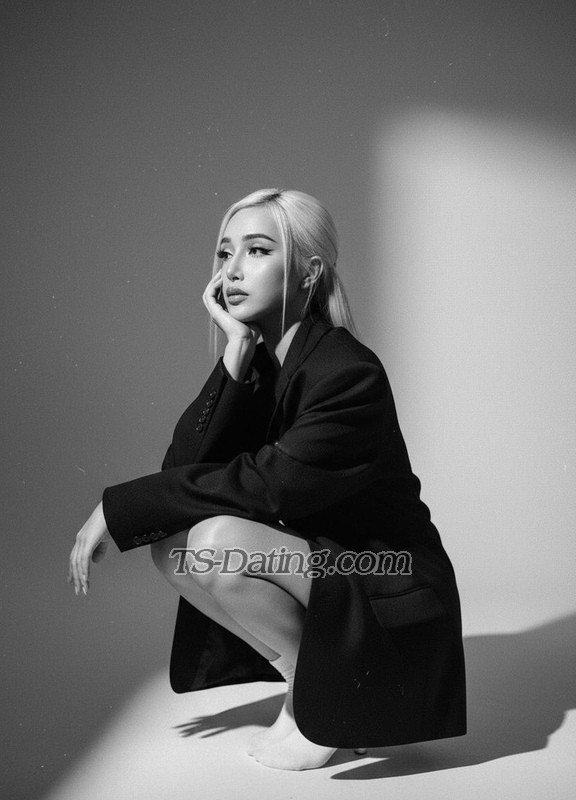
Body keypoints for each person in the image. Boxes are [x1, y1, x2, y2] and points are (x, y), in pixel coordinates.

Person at [68, 188, 466, 771]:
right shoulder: (262, 365)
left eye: (256, 250)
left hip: (387, 574)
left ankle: (331, 699)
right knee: (173, 548)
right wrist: (234, 354)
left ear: (309, 272)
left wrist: (116, 507)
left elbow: (268, 486)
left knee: (214, 542)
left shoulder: (346, 372)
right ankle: (312, 687)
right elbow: (182, 474)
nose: (232, 270)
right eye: (224, 252)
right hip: (329, 565)